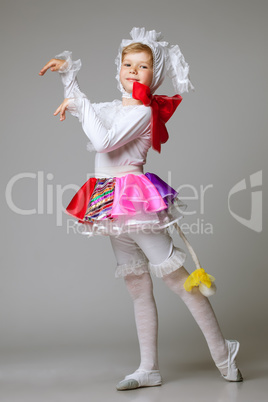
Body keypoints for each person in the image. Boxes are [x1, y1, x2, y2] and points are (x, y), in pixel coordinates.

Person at [39, 27, 243, 390]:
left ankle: (223, 351)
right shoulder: (114, 108)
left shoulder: (143, 113)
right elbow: (82, 109)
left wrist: (80, 104)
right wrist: (69, 74)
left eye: (143, 65)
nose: (133, 70)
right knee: (137, 285)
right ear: (118, 68)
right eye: (127, 63)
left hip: (133, 197)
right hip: (109, 199)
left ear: (155, 74)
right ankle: (148, 367)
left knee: (179, 282)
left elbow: (101, 139)